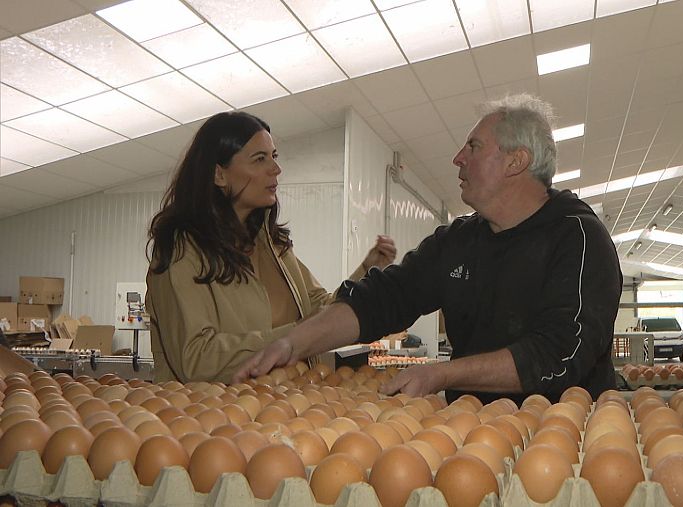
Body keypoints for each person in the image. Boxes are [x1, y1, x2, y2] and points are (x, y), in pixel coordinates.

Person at [234, 94, 623, 406]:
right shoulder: (458, 241)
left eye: (474, 146)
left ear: (515, 161)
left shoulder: (578, 239)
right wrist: (291, 344)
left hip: (564, 436)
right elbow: (384, 298)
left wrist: (443, 373)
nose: (458, 158)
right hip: (473, 435)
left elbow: (558, 356)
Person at [145, 111, 396, 384]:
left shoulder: (274, 246)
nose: (276, 169)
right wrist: (295, 338)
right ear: (219, 174)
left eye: (274, 157)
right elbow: (196, 358)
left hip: (287, 410)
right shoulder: (182, 250)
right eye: (259, 159)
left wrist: (366, 271)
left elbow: (320, 310)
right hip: (216, 417)